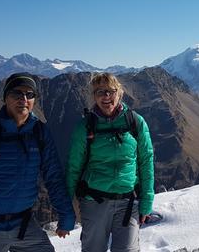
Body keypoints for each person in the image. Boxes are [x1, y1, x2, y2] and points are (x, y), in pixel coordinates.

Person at [0, 72, 75, 252]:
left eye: (29, 94)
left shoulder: (40, 133)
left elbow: (53, 176)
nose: (23, 99)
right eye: (17, 93)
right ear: (6, 98)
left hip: (24, 225)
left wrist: (66, 214)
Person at [66, 72, 154, 252]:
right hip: (94, 202)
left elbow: (146, 162)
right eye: (100, 92)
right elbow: (73, 168)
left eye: (111, 91)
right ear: (93, 97)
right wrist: (66, 208)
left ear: (119, 93)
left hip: (128, 202)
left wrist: (147, 202)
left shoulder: (135, 122)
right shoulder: (85, 127)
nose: (106, 96)